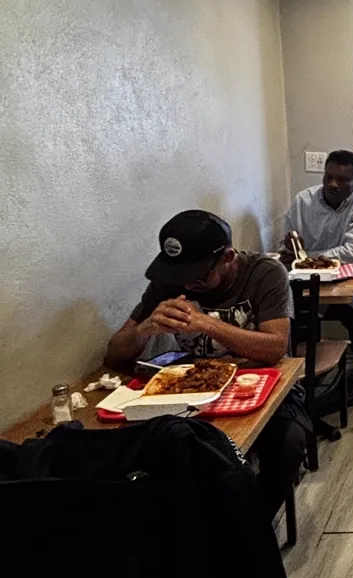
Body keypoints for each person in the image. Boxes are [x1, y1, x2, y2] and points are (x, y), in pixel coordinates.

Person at [105, 209, 309, 530]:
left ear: (227, 257)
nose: (188, 284)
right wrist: (144, 329)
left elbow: (274, 348)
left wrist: (206, 323)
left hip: (263, 386)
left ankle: (253, 530)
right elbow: (114, 357)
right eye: (181, 275)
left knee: (289, 442)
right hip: (188, 390)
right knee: (138, 450)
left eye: (199, 275)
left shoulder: (264, 273)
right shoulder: (168, 281)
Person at [282, 149, 353, 386]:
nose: (333, 184)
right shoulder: (302, 201)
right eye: (328, 177)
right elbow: (290, 245)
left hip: (350, 278)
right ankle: (298, 382)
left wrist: (309, 257)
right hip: (306, 281)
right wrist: (294, 251)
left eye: (342, 179)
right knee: (290, 327)